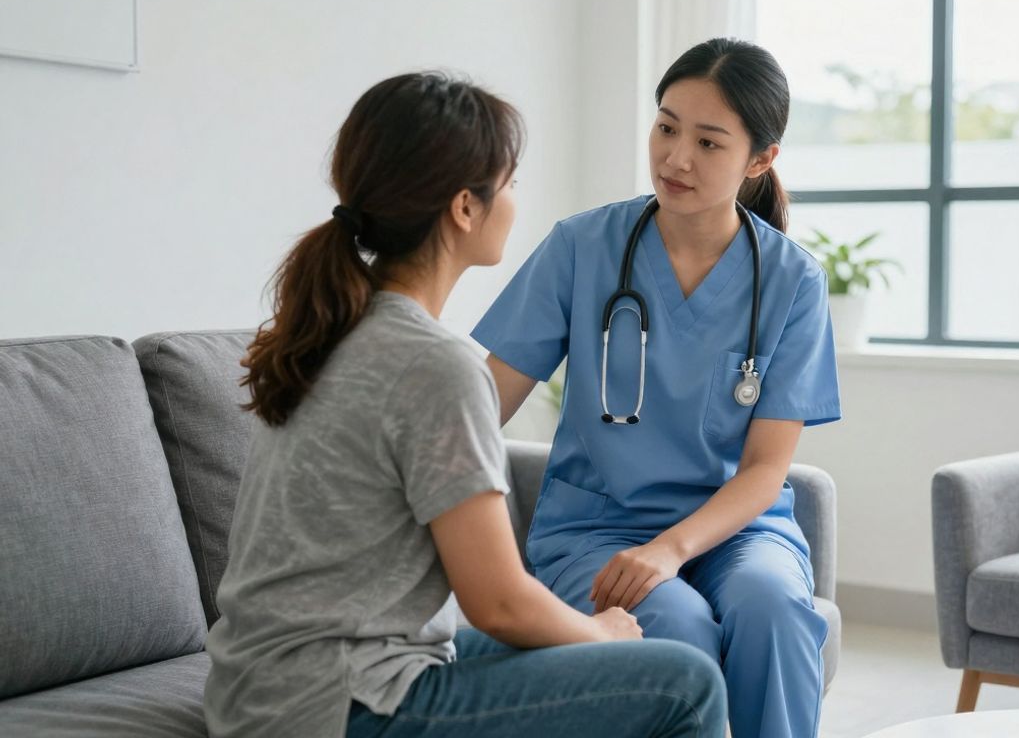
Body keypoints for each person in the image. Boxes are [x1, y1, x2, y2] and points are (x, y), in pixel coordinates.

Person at [203, 71, 726, 738]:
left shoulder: (334, 329)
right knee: (684, 682)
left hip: (266, 688)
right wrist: (602, 636)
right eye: (507, 182)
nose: (514, 199)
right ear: (464, 208)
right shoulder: (433, 364)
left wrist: (589, 640)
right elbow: (500, 602)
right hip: (334, 705)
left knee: (583, 653)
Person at [473, 39, 841, 738]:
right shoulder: (581, 248)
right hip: (596, 525)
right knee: (669, 625)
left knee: (772, 608)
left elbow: (767, 469)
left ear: (760, 160)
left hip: (736, 529)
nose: (676, 158)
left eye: (708, 142)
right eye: (667, 127)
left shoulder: (793, 281)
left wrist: (672, 547)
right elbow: (483, 400)